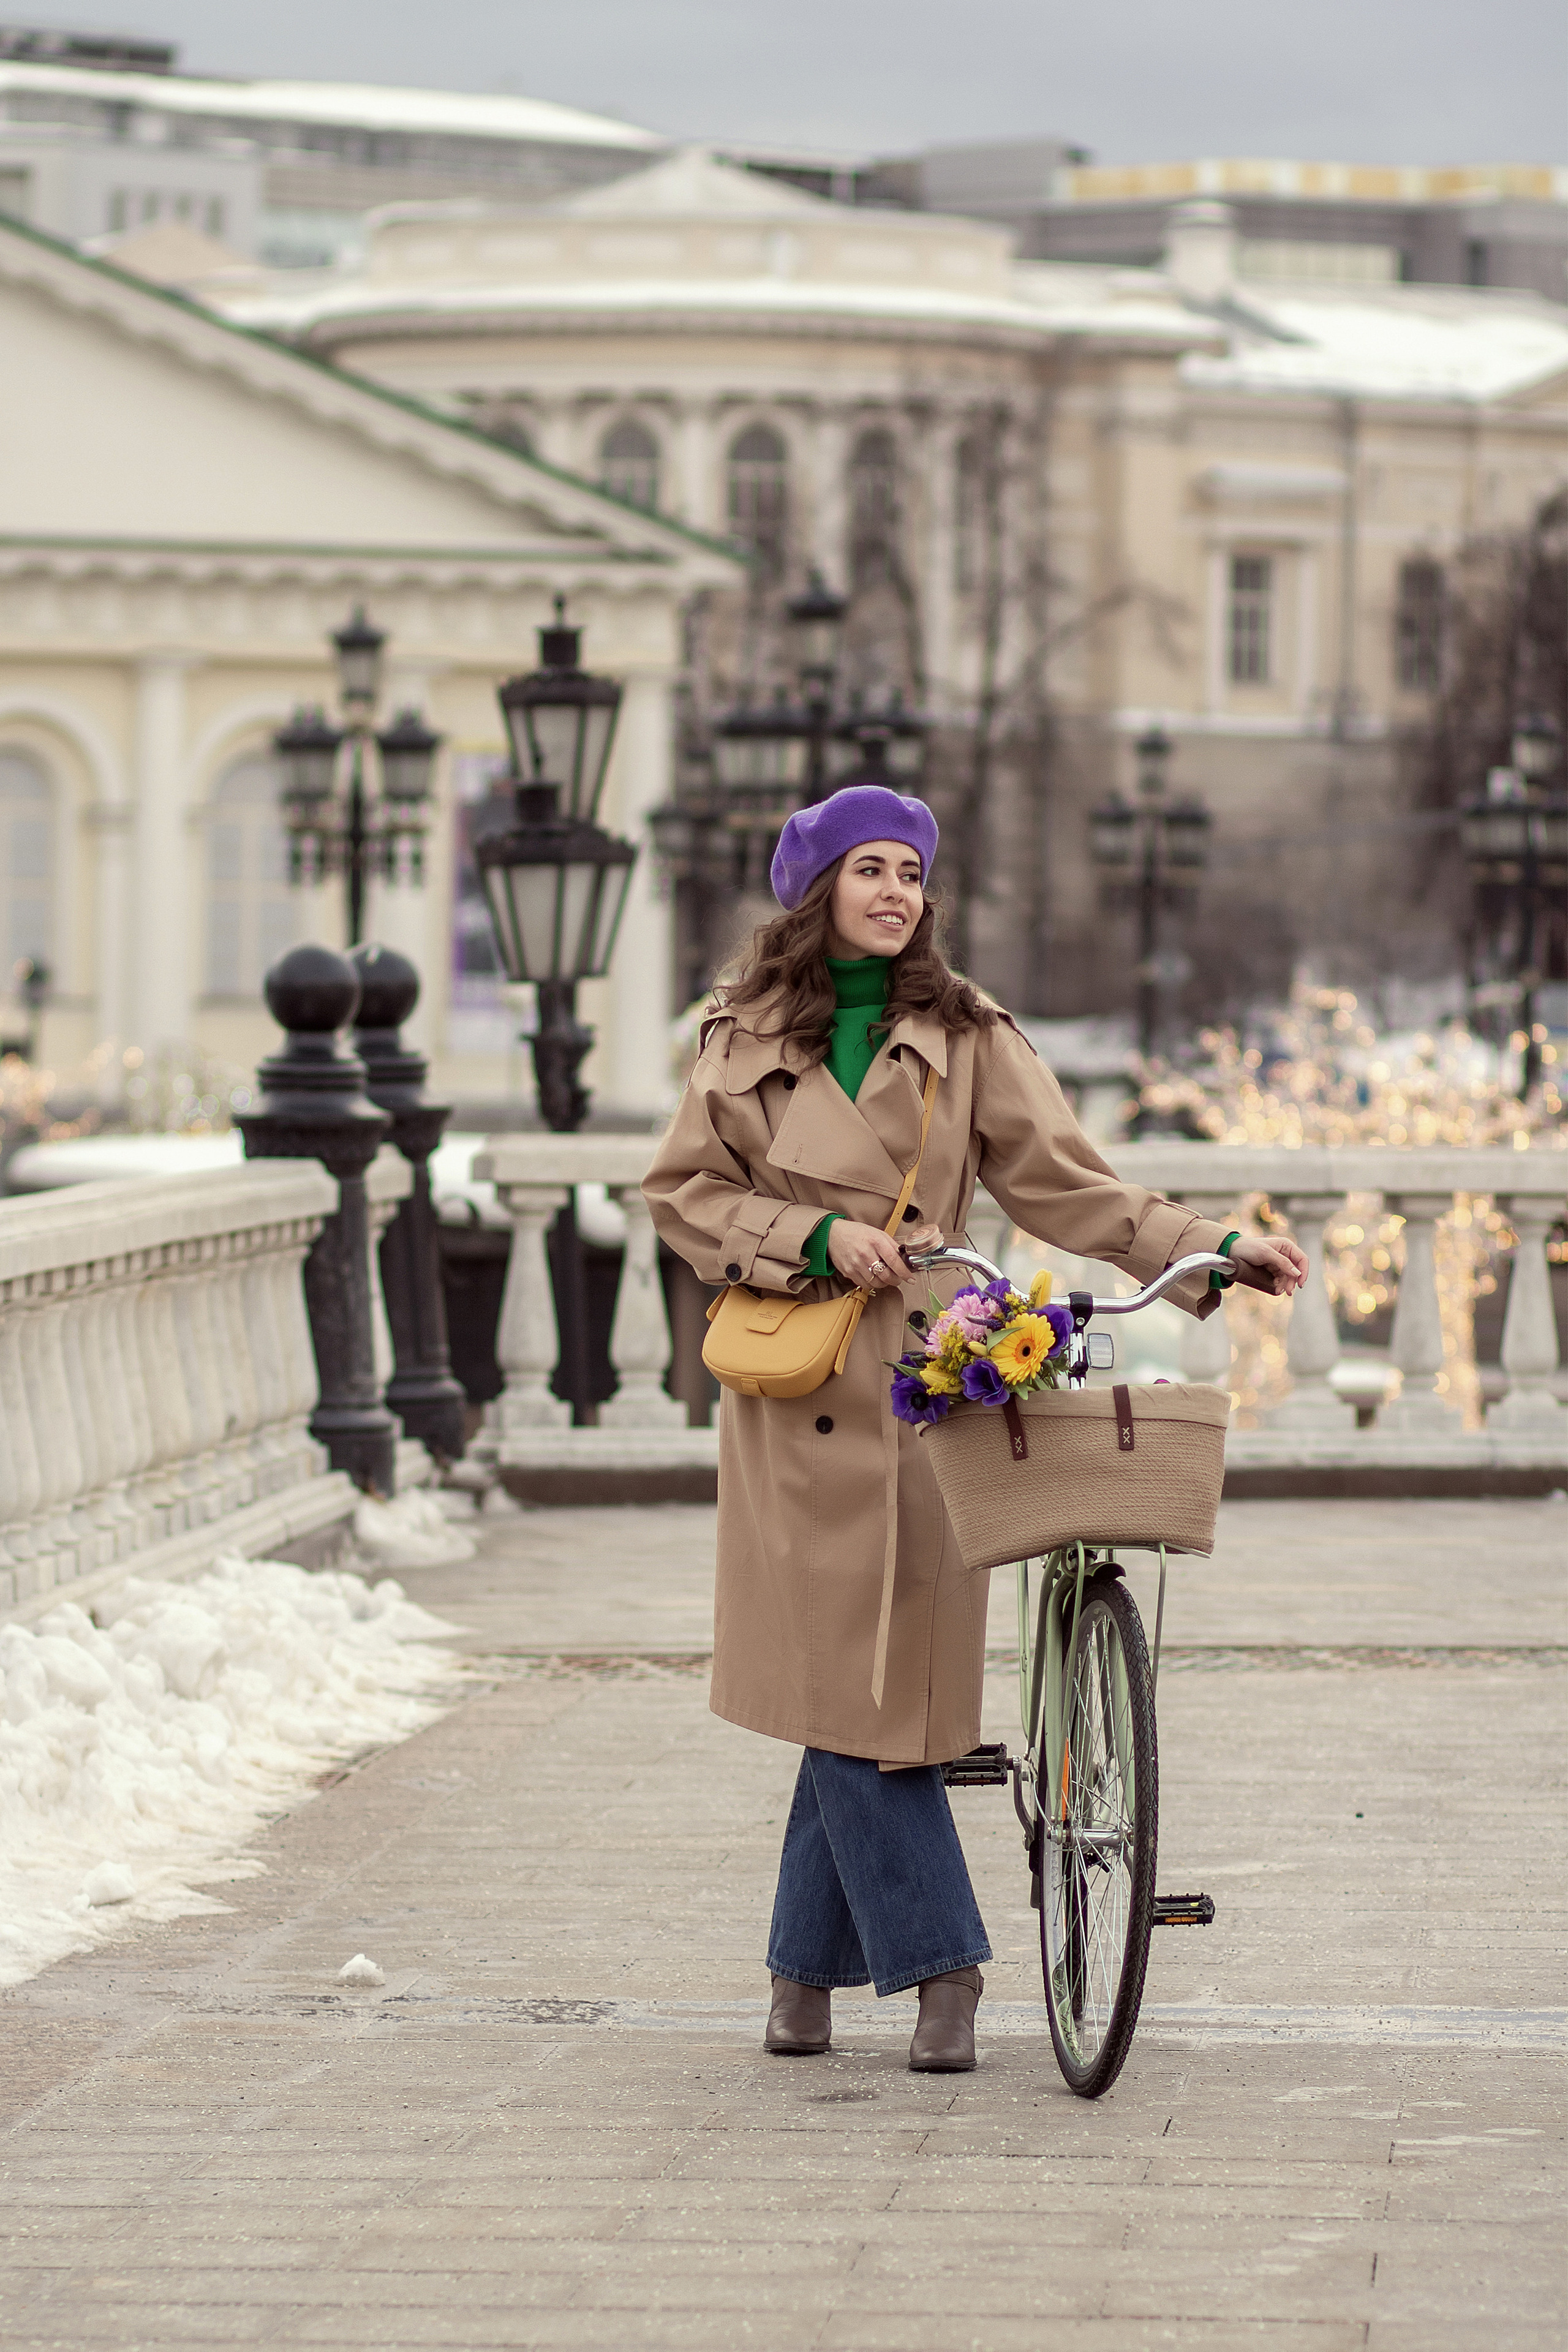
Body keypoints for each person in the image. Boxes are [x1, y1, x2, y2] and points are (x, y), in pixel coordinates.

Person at [643, 785, 1305, 2073]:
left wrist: (1207, 1245)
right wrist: (813, 1235)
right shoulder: (735, 1037)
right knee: (844, 1677)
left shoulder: (963, 1032)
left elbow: (1066, 1184)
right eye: (868, 869)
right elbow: (682, 1194)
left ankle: (801, 1980)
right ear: (817, 889)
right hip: (794, 1381)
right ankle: (942, 1966)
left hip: (925, 1380)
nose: (894, 891)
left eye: (911, 872)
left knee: (870, 1680)